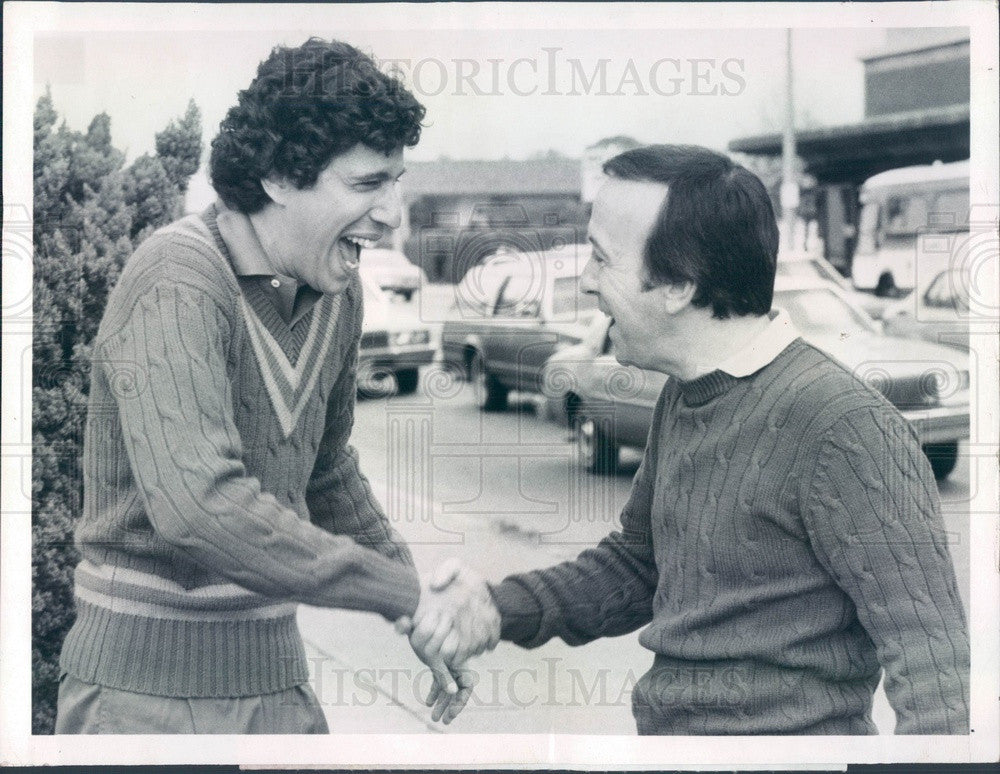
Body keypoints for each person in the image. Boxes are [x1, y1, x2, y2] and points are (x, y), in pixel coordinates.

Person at [408, 144, 971, 734]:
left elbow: (938, 678)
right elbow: (637, 567)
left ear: (678, 284)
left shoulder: (843, 428)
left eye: (602, 260)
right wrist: (494, 608)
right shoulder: (685, 394)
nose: (588, 281)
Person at [55, 37, 482, 734]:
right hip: (143, 702)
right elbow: (199, 507)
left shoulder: (338, 295)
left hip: (279, 688)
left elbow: (327, 473)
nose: (394, 211)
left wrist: (416, 609)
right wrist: (400, 590)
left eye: (397, 181)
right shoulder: (177, 278)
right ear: (281, 176)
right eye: (369, 183)